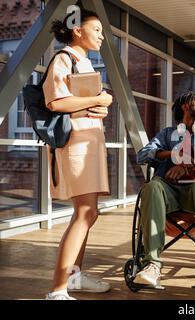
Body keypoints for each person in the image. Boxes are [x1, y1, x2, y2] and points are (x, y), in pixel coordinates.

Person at [43, 6, 113, 300]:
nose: (102, 37)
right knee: (85, 212)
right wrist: (98, 99)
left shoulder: (84, 63)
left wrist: (99, 106)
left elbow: (81, 105)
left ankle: (74, 279)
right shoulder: (63, 59)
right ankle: (58, 291)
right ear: (77, 30)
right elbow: (55, 102)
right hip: (75, 147)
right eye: (96, 30)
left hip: (89, 144)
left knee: (89, 213)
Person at [135, 92, 195, 288]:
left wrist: (190, 164)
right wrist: (174, 153)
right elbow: (142, 155)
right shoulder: (167, 134)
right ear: (186, 105)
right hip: (170, 193)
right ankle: (152, 264)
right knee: (152, 187)